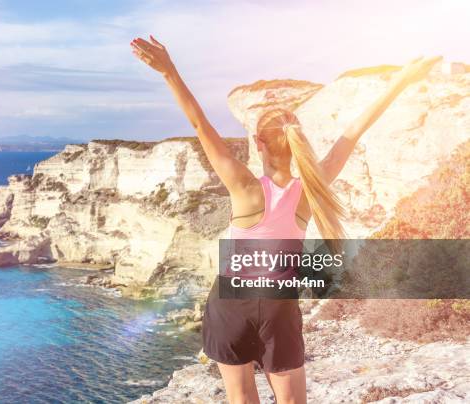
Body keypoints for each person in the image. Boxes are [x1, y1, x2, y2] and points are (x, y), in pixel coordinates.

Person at [131, 35, 440, 404]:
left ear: (258, 144)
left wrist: (169, 71)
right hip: (278, 304)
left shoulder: (244, 187)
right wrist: (403, 79)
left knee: (241, 396)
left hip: (231, 300)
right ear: (297, 143)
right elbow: (354, 132)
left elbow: (199, 124)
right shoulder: (310, 188)